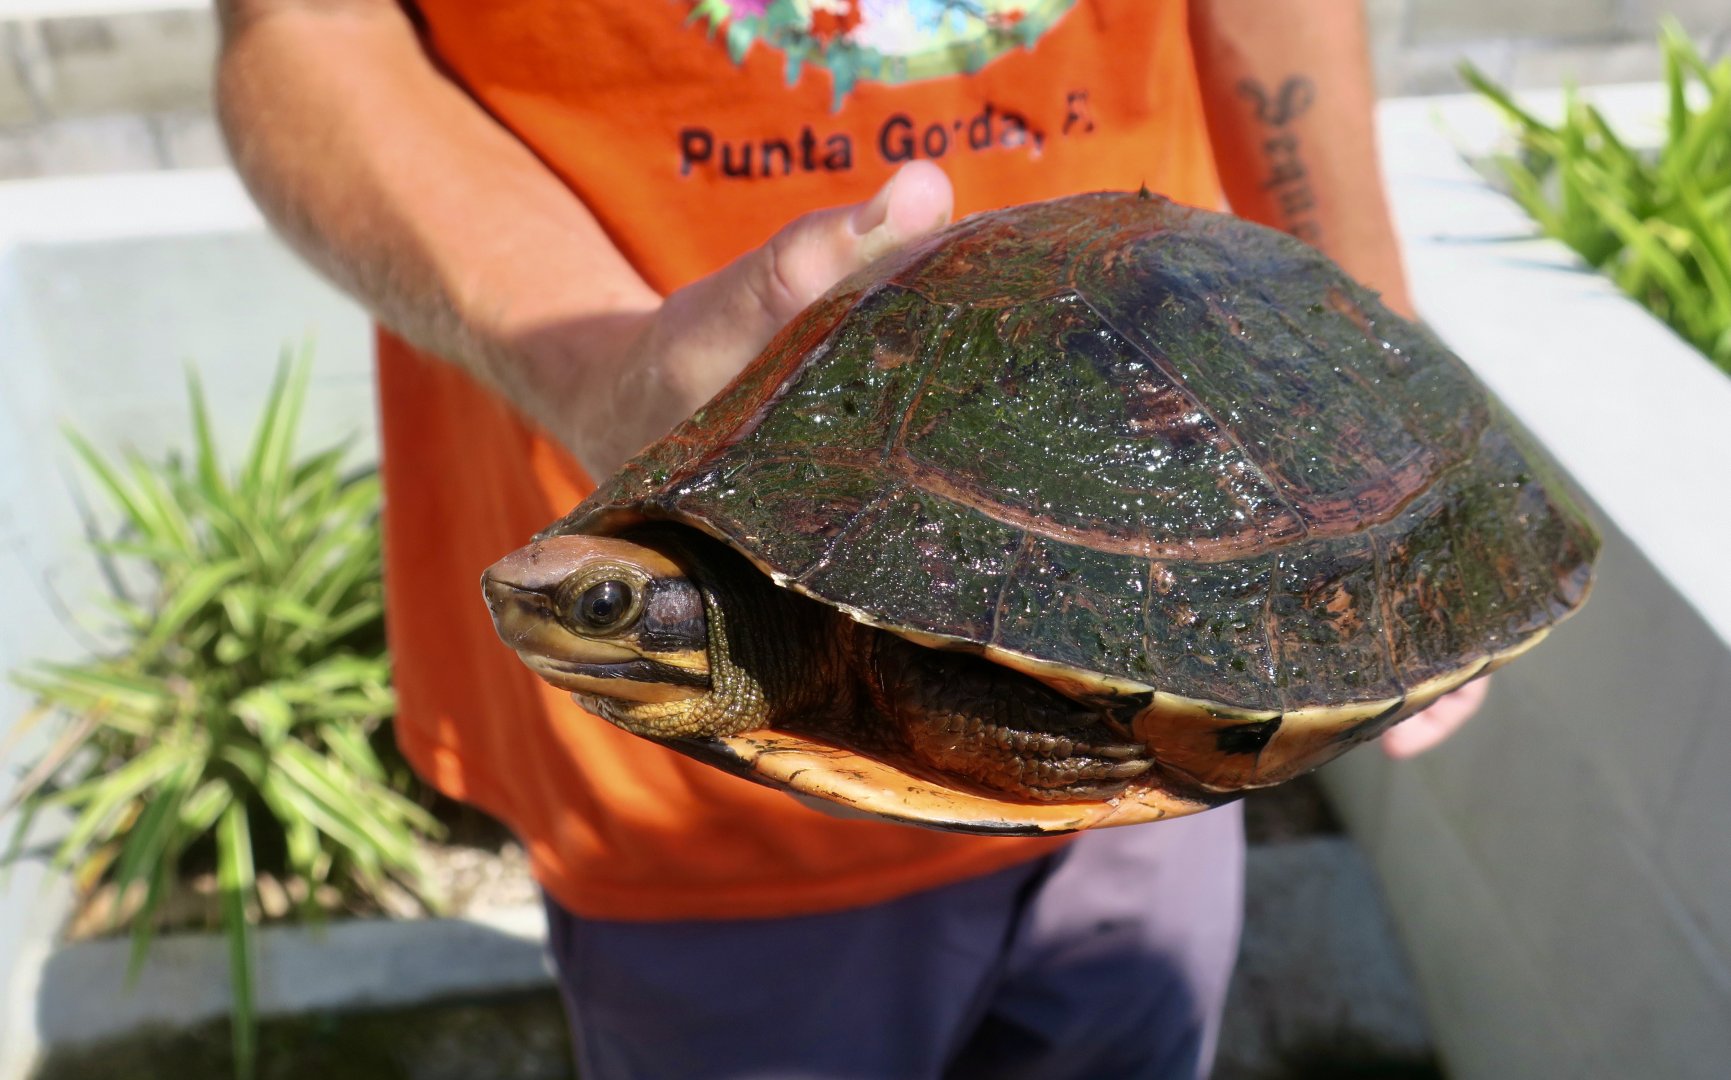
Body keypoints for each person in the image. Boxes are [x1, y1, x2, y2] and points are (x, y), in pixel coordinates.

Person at [214, 2, 1485, 1075]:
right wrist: (595, 371)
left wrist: (1389, 419)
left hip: (1173, 570)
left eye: (602, 610)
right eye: (608, 605)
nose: (552, 607)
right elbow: (305, 25)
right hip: (678, 784)